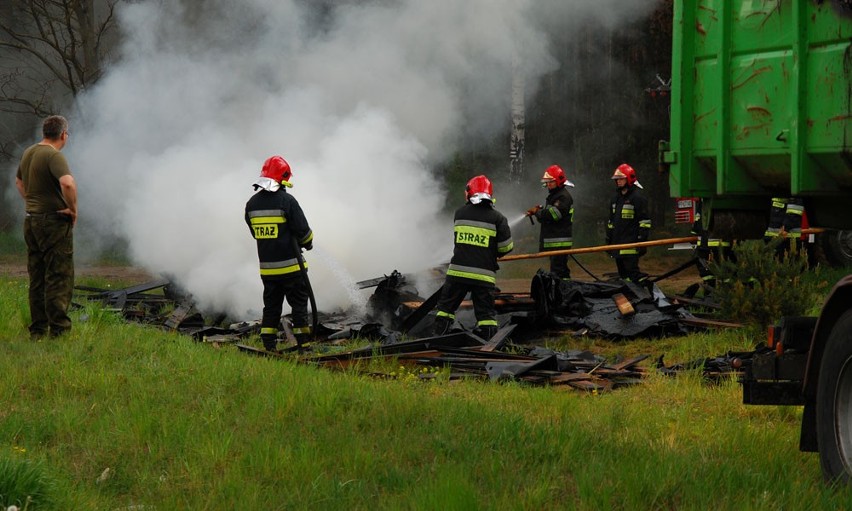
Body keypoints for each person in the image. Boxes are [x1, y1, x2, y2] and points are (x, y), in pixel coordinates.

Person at [15, 115, 77, 339]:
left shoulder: (29, 152)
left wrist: (32, 202)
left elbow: (19, 183)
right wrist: (72, 209)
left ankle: (38, 331)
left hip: (31, 220)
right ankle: (59, 331)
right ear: (63, 134)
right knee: (59, 276)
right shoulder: (53, 155)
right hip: (53, 223)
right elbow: (67, 183)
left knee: (37, 277)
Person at [245, 155, 314, 351]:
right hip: (292, 267)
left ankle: (269, 345)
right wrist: (307, 243)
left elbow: (255, 233)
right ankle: (305, 346)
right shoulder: (287, 201)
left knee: (271, 307)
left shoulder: (251, 204)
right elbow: (304, 233)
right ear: (282, 179)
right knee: (299, 306)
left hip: (268, 270)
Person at [433, 175, 513, 341]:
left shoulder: (459, 213)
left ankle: (437, 341)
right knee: (486, 316)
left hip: (458, 273)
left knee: (445, 309)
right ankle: (488, 347)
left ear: (470, 193)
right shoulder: (498, 218)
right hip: (483, 276)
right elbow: (506, 247)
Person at [526, 164, 575, 280]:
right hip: (555, 241)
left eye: (551, 182)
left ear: (558, 181)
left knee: (559, 271)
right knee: (558, 271)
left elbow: (554, 215)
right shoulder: (555, 196)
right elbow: (547, 216)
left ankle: (564, 292)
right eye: (547, 182)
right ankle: (563, 291)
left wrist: (538, 212)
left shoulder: (563, 196)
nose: (548, 184)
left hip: (560, 242)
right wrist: (539, 211)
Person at [605, 163, 651, 284]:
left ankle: (643, 296)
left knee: (633, 273)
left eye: (621, 179)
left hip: (631, 245)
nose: (618, 181)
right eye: (617, 179)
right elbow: (611, 221)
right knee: (623, 276)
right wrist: (609, 238)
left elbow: (644, 221)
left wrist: (642, 240)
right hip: (617, 245)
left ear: (629, 179)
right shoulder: (615, 199)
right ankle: (629, 296)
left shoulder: (638, 198)